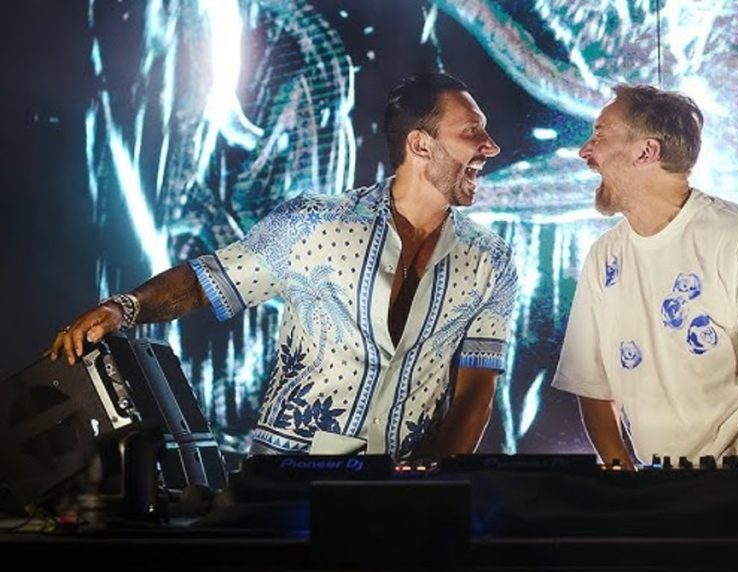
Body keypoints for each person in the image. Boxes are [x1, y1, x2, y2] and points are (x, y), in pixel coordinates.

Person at [50, 72, 517, 460]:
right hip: (289, 479)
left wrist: (437, 476)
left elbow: (477, 389)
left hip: (403, 489)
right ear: (420, 144)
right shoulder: (314, 222)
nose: (491, 146)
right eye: (471, 131)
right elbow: (207, 281)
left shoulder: (491, 259)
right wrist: (122, 308)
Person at [552, 84, 738, 469]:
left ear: (646, 151)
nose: (585, 151)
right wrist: (624, 480)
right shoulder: (603, 257)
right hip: (662, 494)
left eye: (600, 135)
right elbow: (592, 386)